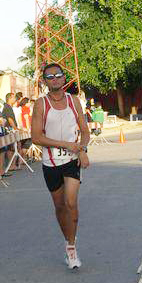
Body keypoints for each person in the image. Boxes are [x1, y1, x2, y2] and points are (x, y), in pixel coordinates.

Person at [31, 63, 90, 269]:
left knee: (71, 202)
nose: (54, 79)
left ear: (64, 78)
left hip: (72, 160)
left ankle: (72, 247)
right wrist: (65, 144)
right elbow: (36, 137)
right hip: (51, 162)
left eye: (58, 75)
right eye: (50, 77)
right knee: (60, 206)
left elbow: (85, 131)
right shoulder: (41, 104)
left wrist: (81, 150)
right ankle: (68, 240)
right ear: (45, 82)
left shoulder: (74, 101)